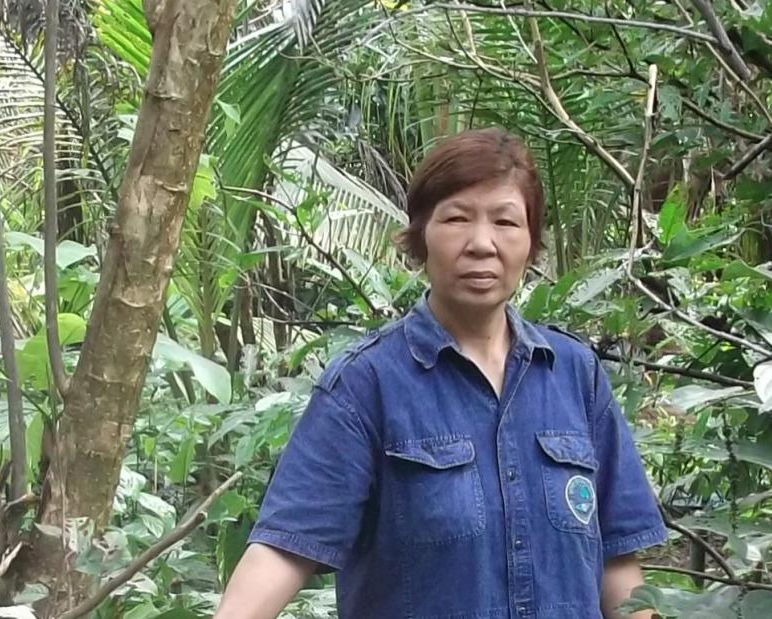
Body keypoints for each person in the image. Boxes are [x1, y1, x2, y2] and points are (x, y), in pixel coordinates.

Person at [214, 128, 667, 619]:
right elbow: (284, 550)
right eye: (456, 218)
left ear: (531, 241)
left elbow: (617, 561)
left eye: (505, 222)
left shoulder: (575, 375)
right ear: (421, 235)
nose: (482, 244)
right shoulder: (367, 384)